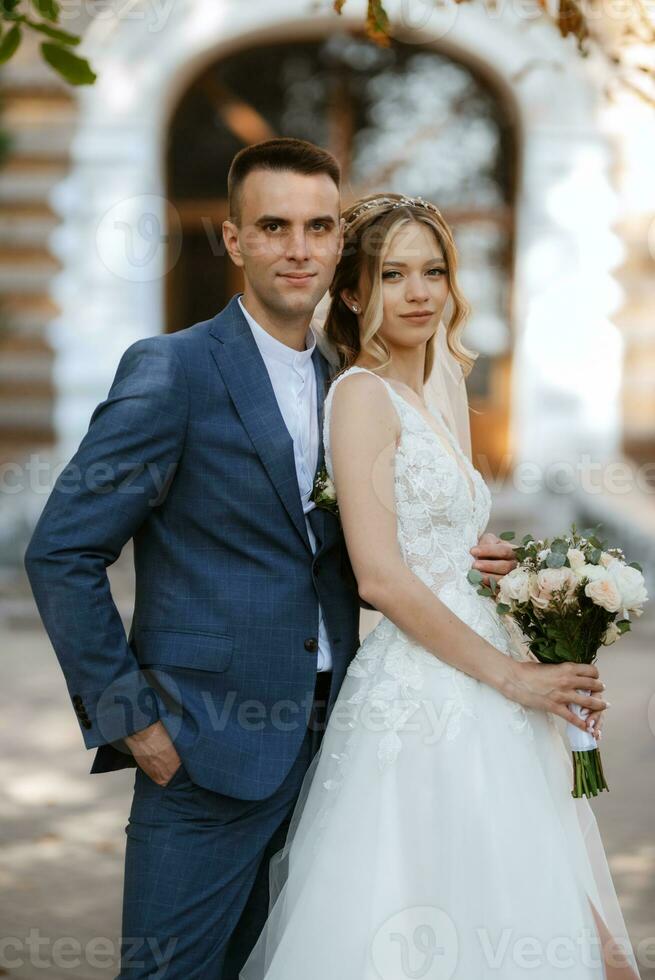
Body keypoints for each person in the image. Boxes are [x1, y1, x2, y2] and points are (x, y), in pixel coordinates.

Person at [22, 139, 517, 980]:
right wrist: (134, 720)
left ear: (336, 243)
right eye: (274, 226)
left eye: (318, 226)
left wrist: (461, 558)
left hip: (337, 744)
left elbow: (365, 544)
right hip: (203, 744)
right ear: (233, 240)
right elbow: (62, 549)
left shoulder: (350, 380)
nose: (298, 248)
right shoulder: (172, 370)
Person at [238, 194, 641, 980]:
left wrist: (511, 572)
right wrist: (515, 678)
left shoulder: (443, 389)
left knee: (537, 903)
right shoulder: (359, 396)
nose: (419, 292)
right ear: (353, 293)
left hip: (488, 672)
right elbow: (381, 577)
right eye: (392, 275)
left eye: (433, 272)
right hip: (426, 689)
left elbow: (440, 541)